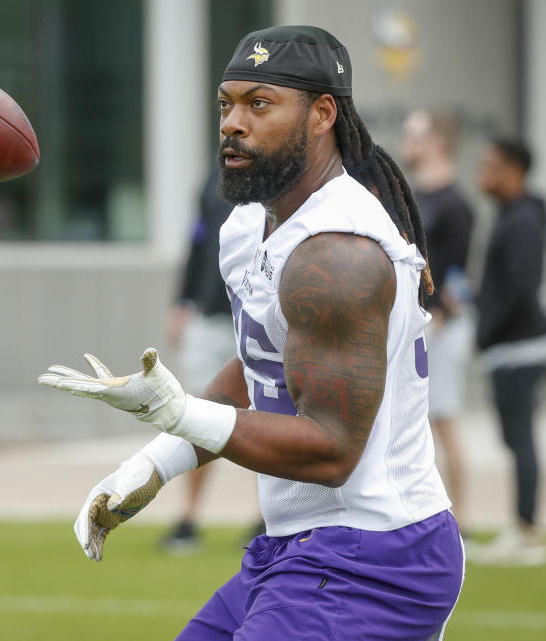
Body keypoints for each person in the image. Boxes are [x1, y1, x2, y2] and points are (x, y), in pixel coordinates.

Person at [39, 26, 463, 639]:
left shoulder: (336, 253)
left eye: (259, 104)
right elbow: (265, 363)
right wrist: (157, 461)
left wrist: (178, 413)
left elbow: (333, 450)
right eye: (225, 104)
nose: (232, 123)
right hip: (302, 545)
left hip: (375, 553)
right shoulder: (246, 227)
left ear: (322, 114)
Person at [160, 166, 259, 554]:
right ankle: (189, 518)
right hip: (209, 315)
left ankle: (264, 519)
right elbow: (198, 242)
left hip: (256, 315)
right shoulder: (211, 177)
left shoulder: (282, 173)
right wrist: (183, 302)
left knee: (265, 418)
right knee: (199, 418)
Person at [469, 137, 546, 566]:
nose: (482, 172)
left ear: (514, 171)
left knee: (520, 438)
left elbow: (524, 288)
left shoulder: (521, 219)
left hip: (519, 346)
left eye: (490, 164)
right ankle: (524, 526)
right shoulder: (513, 214)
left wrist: (487, 329)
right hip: (510, 345)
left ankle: (528, 531)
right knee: (516, 437)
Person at [400, 110, 475, 534]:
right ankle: (424, 511)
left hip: (440, 325)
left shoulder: (455, 202)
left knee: (443, 420)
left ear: (435, 143)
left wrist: (442, 315)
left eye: (414, 135)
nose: (406, 141)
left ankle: (458, 517)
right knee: (416, 422)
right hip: (416, 322)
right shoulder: (416, 195)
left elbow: (461, 272)